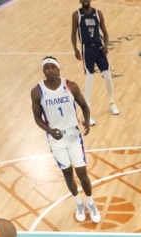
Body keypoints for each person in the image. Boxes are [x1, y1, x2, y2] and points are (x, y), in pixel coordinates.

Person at [30, 57, 101, 224]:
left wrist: (87, 121)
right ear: (43, 71)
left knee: (82, 174)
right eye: (46, 68)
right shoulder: (37, 91)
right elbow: (36, 117)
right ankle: (79, 204)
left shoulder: (71, 86)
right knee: (67, 173)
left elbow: (84, 106)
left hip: (73, 135)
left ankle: (91, 203)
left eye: (53, 67)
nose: (50, 70)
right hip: (55, 138)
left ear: (58, 69)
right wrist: (48, 130)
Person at [71, 0, 117, 126]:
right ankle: (87, 114)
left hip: (99, 48)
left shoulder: (98, 13)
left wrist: (106, 46)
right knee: (89, 81)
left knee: (108, 78)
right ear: (80, 1)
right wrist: (75, 49)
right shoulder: (76, 15)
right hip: (87, 50)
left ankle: (112, 103)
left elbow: (105, 33)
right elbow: (73, 34)